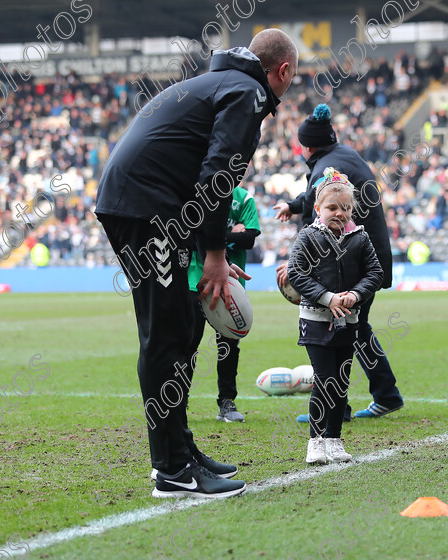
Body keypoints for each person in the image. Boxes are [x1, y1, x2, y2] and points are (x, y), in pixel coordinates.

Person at [95, 29, 298, 498]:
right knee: (165, 333)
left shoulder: (222, 83)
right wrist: (214, 253)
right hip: (143, 207)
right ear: (283, 71)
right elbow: (218, 174)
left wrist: (214, 253)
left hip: (148, 204)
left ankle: (180, 450)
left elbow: (193, 173)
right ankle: (170, 470)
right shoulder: (247, 92)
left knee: (182, 327)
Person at [274, 104, 404, 422]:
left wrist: (295, 264)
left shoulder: (323, 169)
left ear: (307, 147)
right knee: (354, 329)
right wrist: (292, 204)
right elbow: (318, 198)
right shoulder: (343, 156)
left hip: (352, 261)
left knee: (339, 331)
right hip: (368, 254)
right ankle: (384, 395)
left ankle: (338, 408)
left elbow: (314, 220)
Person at [286, 168, 383, 464]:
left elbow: (375, 273)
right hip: (315, 322)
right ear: (317, 208)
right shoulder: (308, 237)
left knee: (340, 383)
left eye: (345, 207)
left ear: (352, 209)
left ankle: (334, 439)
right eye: (331, 207)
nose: (339, 213)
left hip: (348, 322)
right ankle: (315, 440)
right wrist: (327, 298)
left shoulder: (360, 238)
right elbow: (296, 273)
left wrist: (355, 295)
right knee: (325, 380)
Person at [187, 185, 261, 423]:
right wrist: (230, 233)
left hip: (230, 281)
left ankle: (227, 402)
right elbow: (190, 232)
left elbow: (249, 239)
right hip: (193, 280)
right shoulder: (197, 192)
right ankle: (179, 401)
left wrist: (217, 236)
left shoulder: (244, 198)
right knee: (188, 344)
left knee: (229, 346)